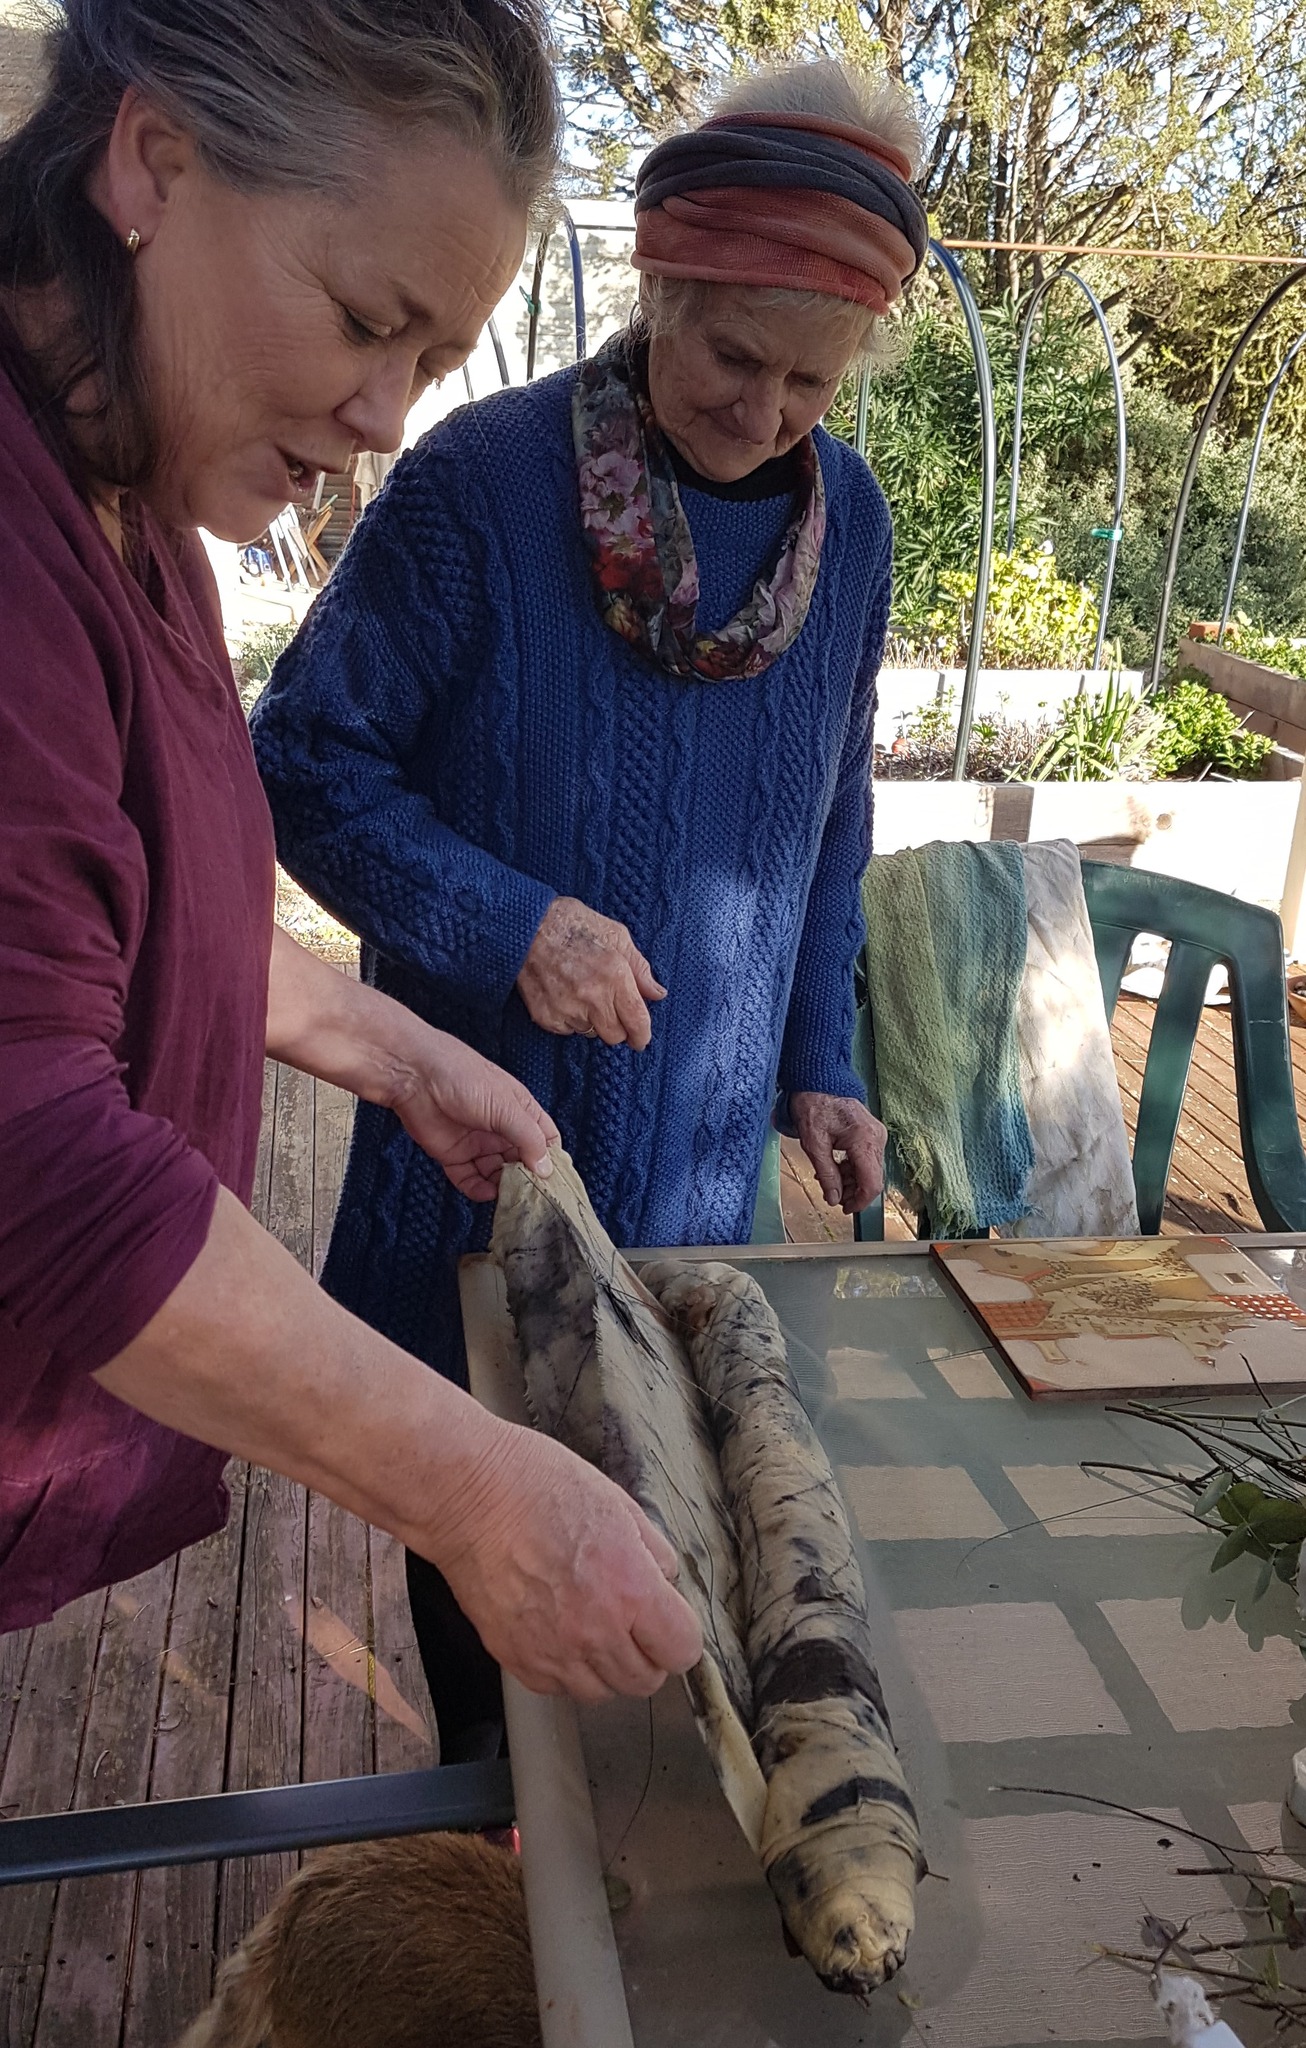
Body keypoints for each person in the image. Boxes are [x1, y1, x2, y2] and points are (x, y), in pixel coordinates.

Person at [0, 0, 702, 1717]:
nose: (384, 415)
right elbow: (34, 1158)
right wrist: (475, 1491)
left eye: (430, 361)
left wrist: (398, 1055)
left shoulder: (137, 502)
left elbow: (139, 924)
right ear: (155, 157)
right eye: (364, 321)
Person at [251, 59, 926, 1745]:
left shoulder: (853, 531)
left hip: (706, 1208)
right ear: (660, 289)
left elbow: (824, 827)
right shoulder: (476, 486)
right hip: (487, 1198)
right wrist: (507, 923)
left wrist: (819, 1062)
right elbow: (305, 762)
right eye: (730, 355)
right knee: (511, 1666)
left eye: (810, 381)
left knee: (689, 1636)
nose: (765, 411)